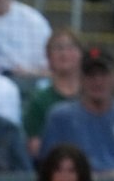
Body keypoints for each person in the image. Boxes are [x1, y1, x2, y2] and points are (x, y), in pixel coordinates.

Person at [39, 46, 114, 179]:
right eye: (91, 75)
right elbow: (48, 166)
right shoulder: (60, 117)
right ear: (81, 79)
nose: (97, 81)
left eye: (103, 74)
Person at [21, 28, 83, 159]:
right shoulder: (39, 100)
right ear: (48, 58)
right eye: (58, 48)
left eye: (70, 47)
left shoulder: (91, 96)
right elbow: (34, 146)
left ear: (81, 55)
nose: (64, 53)